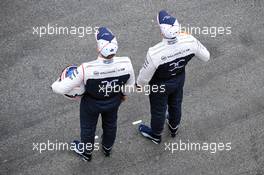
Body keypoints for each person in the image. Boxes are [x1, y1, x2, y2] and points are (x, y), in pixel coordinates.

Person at [51, 27, 135, 161]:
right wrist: (123, 95)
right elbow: (130, 86)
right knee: (110, 124)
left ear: (98, 49)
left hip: (91, 104)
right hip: (114, 100)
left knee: (88, 128)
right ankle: (107, 148)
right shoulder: (127, 63)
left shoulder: (86, 68)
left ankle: (86, 152)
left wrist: (54, 84)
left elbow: (60, 89)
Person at [136, 10, 210, 144]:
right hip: (178, 79)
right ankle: (174, 127)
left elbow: (144, 77)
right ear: (179, 29)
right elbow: (206, 57)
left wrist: (139, 86)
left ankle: (156, 135)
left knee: (159, 111)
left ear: (162, 32)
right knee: (176, 104)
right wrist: (189, 37)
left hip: (159, 85)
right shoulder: (190, 41)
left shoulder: (155, 53)